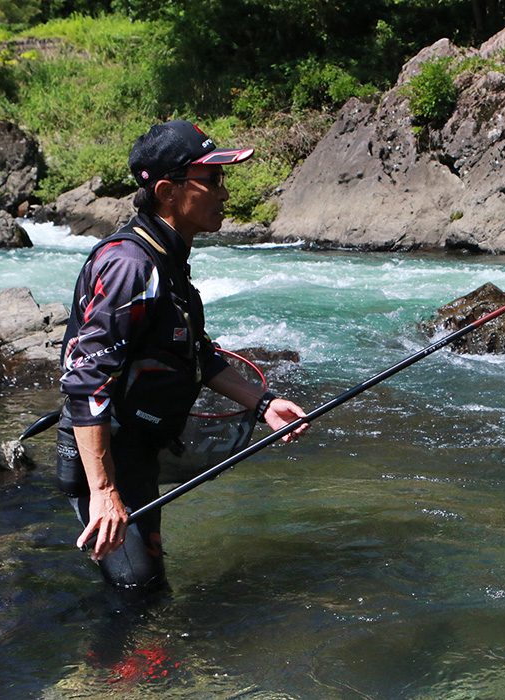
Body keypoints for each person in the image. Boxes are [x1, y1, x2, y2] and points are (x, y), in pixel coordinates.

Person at [56, 120, 308, 590]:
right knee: (139, 594)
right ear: (169, 191)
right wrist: (104, 493)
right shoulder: (130, 265)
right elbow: (87, 382)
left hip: (133, 452)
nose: (224, 194)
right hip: (108, 458)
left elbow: (198, 354)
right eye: (212, 181)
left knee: (143, 592)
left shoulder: (167, 259)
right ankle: (105, 665)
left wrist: (264, 403)